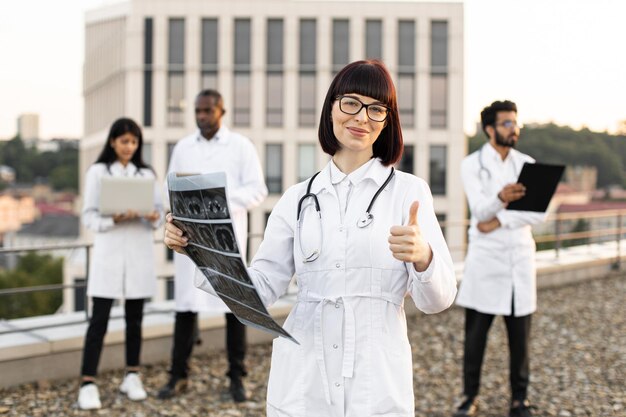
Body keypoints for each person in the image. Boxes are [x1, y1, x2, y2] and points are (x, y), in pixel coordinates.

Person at [165, 60, 457, 416]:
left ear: (388, 120)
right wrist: (199, 247)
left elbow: (436, 301)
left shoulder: (409, 193)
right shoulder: (297, 198)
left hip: (376, 377)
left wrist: (423, 256)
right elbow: (259, 293)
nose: (362, 117)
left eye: (376, 108)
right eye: (351, 103)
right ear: (331, 107)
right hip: (304, 375)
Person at [158, 89, 268, 402]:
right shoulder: (183, 146)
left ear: (222, 111)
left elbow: (257, 190)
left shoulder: (241, 146)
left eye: (207, 111)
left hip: (225, 238)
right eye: (198, 111)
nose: (202, 117)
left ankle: (237, 378)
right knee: (185, 309)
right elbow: (171, 187)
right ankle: (178, 375)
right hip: (190, 238)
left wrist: (219, 201)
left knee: (234, 308)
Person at [453, 100, 546, 417]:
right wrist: (500, 199)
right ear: (490, 129)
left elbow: (537, 212)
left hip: (519, 261)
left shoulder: (527, 163)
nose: (513, 128)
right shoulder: (472, 164)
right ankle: (468, 396)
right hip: (486, 264)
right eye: (506, 123)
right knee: (475, 337)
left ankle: (520, 399)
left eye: (515, 122)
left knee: (520, 339)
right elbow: (479, 211)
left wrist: (499, 219)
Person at [77, 118, 164, 410]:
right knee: (98, 321)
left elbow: (161, 214)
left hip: (138, 254)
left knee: (135, 320)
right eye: (124, 141)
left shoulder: (146, 173)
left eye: (134, 142)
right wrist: (112, 219)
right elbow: (88, 216)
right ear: (113, 141)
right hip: (109, 255)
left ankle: (132, 375)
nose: (129, 147)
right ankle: (88, 382)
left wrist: (153, 217)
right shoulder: (98, 172)